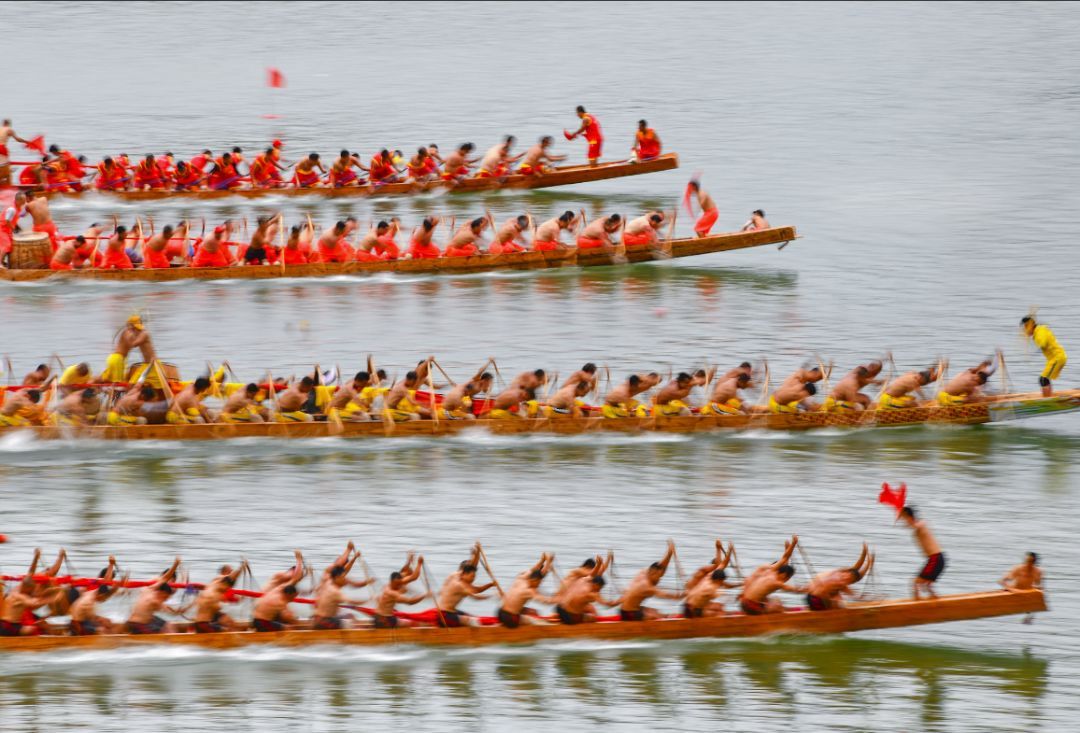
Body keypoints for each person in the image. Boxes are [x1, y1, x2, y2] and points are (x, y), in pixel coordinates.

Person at [608, 541, 683, 621]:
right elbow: (663, 594)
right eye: (658, 576)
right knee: (653, 617)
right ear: (652, 573)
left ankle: (669, 617)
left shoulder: (645, 575)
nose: (659, 578)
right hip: (628, 614)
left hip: (630, 609)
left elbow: (661, 566)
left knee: (655, 611)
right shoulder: (647, 585)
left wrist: (669, 553)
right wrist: (677, 596)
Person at [737, 536, 805, 614]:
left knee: (771, 600)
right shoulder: (775, 581)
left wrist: (789, 547)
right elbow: (793, 589)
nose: (787, 580)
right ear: (784, 575)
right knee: (777, 604)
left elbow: (784, 560)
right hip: (750, 605)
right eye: (788, 578)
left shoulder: (768, 571)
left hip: (744, 602)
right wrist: (805, 589)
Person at [435, 547, 497, 627]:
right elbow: (476, 592)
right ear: (464, 573)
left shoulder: (456, 575)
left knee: (473, 617)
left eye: (474, 577)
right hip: (445, 616)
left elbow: (472, 566)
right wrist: (490, 592)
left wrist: (476, 553)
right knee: (474, 622)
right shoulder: (459, 585)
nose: (473, 579)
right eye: (472, 577)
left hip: (448, 612)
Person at [313, 551, 373, 630]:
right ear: (337, 577)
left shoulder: (329, 581)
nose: (345, 579)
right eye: (343, 577)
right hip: (325, 622)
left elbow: (345, 570)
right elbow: (351, 601)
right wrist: (367, 601)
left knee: (350, 617)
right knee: (349, 623)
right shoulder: (335, 591)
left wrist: (354, 557)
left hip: (317, 618)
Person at [804, 544, 872, 611]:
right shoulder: (842, 584)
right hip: (815, 602)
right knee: (839, 601)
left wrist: (865, 556)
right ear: (851, 580)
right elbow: (856, 596)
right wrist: (868, 562)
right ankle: (835, 613)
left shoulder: (838, 572)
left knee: (835, 593)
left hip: (808, 598)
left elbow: (854, 569)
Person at [496, 554, 556, 628]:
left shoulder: (520, 578)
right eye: (539, 582)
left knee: (533, 612)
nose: (539, 585)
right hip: (510, 618)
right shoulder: (529, 591)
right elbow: (546, 601)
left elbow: (534, 572)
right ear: (535, 581)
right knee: (532, 620)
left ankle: (506, 621)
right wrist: (560, 598)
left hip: (500, 613)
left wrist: (543, 560)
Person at [126, 557, 182, 634]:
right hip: (138, 624)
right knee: (163, 631)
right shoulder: (154, 597)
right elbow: (165, 578)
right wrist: (175, 565)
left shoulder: (149, 588)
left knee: (168, 625)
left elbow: (165, 580)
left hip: (132, 621)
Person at [899, 506, 945, 599]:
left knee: (915, 583)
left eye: (904, 518)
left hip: (935, 559)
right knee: (926, 585)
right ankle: (936, 601)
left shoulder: (921, 524)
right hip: (937, 559)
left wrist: (911, 523)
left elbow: (919, 524)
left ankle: (916, 606)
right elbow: (915, 526)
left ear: (910, 517)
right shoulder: (916, 529)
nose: (904, 521)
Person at [372, 555, 428, 628]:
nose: (399, 586)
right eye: (398, 584)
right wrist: (425, 595)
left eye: (400, 583)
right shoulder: (391, 592)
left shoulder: (396, 580)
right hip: (384, 620)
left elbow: (413, 576)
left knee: (406, 620)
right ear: (393, 582)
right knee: (410, 624)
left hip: (379, 616)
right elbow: (410, 602)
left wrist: (409, 562)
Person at [69, 557, 120, 635]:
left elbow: (106, 587)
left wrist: (116, 588)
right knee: (103, 629)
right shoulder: (95, 592)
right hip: (78, 623)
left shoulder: (94, 587)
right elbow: (106, 582)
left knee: (107, 622)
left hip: (83, 618)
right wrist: (111, 564)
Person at [192, 562, 247, 633]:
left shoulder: (213, 583)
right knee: (228, 632)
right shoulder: (218, 588)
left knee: (230, 624)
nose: (227, 588)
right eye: (230, 570)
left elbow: (229, 580)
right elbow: (231, 578)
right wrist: (241, 568)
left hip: (202, 621)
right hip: (204, 624)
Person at [101, 315, 156, 383]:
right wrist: (135, 332)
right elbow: (132, 344)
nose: (137, 330)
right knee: (117, 383)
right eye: (135, 327)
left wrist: (137, 333)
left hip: (116, 358)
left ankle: (92, 383)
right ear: (131, 325)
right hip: (117, 359)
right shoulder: (128, 332)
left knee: (106, 379)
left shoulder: (130, 332)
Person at [1022, 316, 1067, 397]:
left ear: (1030, 325)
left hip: (1057, 357)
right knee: (1044, 379)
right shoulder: (1038, 330)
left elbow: (1043, 342)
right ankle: (1049, 397)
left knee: (1043, 379)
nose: (1025, 330)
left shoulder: (1040, 330)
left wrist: (1039, 345)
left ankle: (1047, 401)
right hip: (1053, 359)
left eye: (1025, 327)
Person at [0, 118, 31, 185]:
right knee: (5, 167)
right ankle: (8, 183)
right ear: (9, 124)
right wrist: (26, 142)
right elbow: (17, 139)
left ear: (3, 124)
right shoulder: (9, 130)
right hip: (1, 148)